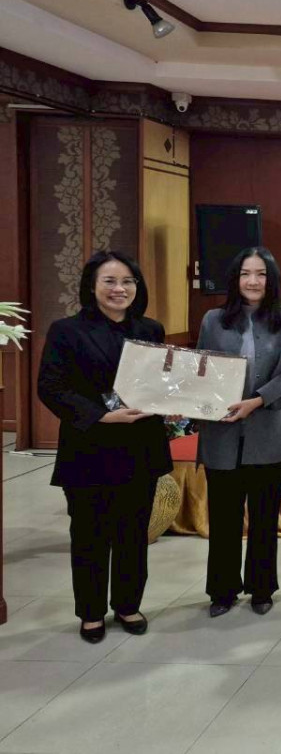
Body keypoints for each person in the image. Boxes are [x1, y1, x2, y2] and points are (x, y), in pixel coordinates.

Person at [37, 251, 172, 642]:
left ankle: (128, 605)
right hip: (89, 448)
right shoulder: (67, 331)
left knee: (133, 534)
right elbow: (51, 387)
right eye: (109, 281)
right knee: (89, 534)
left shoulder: (150, 330)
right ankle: (91, 613)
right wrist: (101, 416)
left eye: (128, 281)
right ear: (91, 286)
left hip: (140, 448)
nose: (119, 289)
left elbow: (162, 385)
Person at [197, 246, 281, 618]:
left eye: (261, 274)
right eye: (246, 273)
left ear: (271, 279)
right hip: (222, 433)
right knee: (224, 517)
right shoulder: (213, 320)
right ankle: (222, 590)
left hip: (269, 430)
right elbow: (202, 369)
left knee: (263, 518)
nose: (253, 281)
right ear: (235, 279)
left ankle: (262, 589)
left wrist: (257, 400)